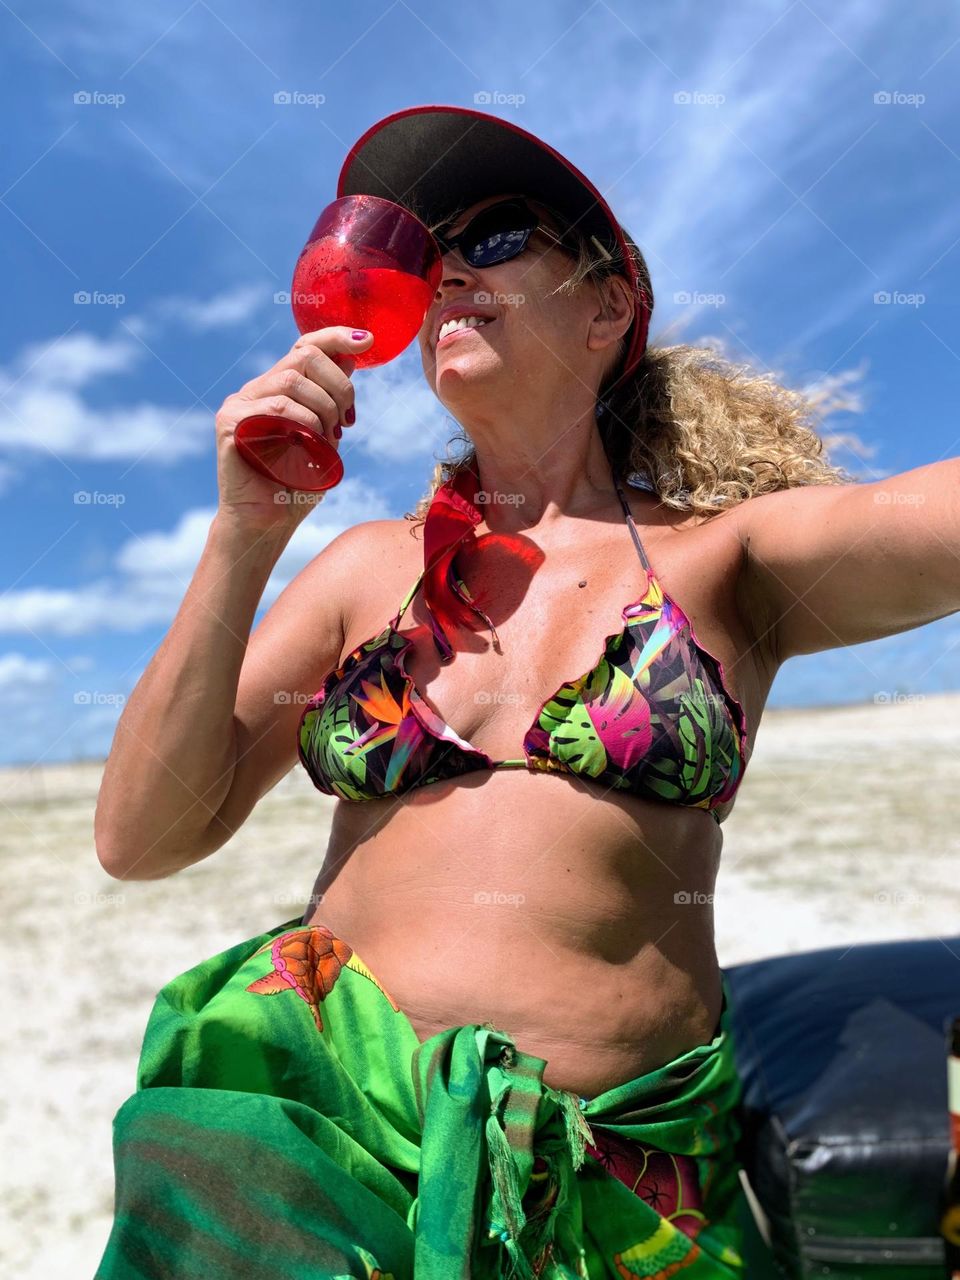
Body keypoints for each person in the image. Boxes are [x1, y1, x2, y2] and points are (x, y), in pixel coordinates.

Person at [93, 107, 960, 1279]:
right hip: (326, 1153)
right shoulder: (362, 570)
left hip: (619, 1181)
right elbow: (142, 835)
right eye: (422, 251)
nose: (446, 268)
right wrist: (243, 540)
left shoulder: (723, 562)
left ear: (608, 310)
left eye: (497, 237)